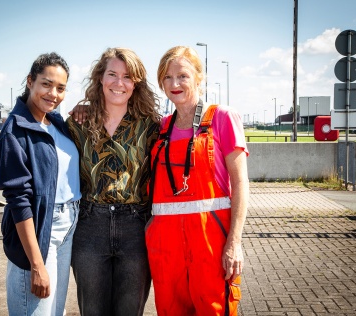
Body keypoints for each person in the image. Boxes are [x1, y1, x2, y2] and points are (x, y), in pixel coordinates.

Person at [145, 46, 249, 315]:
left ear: (199, 78)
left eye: (182, 76)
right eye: (167, 77)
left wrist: (234, 243)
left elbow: (240, 184)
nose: (174, 83)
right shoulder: (160, 128)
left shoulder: (222, 118)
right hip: (166, 252)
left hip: (210, 247)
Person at [66, 47, 161, 315]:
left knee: (130, 310)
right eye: (112, 74)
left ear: (136, 84)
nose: (119, 83)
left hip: (136, 228)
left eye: (127, 77)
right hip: (90, 227)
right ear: (100, 78)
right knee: (92, 311)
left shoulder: (151, 125)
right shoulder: (77, 123)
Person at [0, 52, 81, 316]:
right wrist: (36, 264)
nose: (53, 93)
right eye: (46, 84)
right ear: (30, 81)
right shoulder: (14, 131)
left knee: (55, 311)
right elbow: (19, 200)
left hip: (69, 225)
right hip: (42, 227)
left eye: (61, 88)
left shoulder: (55, 122)